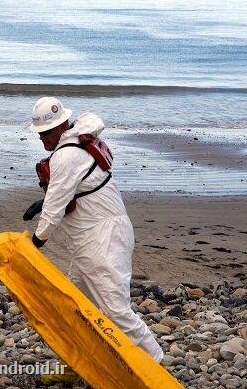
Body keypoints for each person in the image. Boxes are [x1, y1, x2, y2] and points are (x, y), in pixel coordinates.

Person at [23, 97, 164, 368]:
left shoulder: (66, 155)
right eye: (40, 134)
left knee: (116, 310)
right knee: (75, 304)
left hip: (102, 239)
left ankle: (157, 366)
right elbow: (78, 190)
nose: (43, 139)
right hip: (92, 238)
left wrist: (36, 241)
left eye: (47, 132)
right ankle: (80, 363)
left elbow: (55, 206)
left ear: (63, 125)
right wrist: (44, 204)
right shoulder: (77, 144)